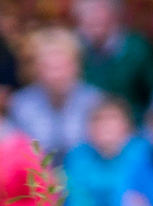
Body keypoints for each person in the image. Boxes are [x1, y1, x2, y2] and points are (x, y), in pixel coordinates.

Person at [60, 97, 148, 206]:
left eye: (113, 119)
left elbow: (142, 203)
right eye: (98, 120)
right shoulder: (78, 156)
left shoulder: (144, 154)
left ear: (128, 125)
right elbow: (74, 203)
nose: (106, 126)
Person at [72, 0, 153, 121]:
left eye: (99, 10)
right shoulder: (71, 50)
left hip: (135, 128)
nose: (94, 17)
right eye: (87, 12)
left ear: (115, 14)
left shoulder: (137, 48)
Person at [8, 27, 103, 156]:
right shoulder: (21, 104)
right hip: (36, 173)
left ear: (76, 66)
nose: (56, 75)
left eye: (62, 67)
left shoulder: (95, 101)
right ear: (36, 70)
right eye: (49, 68)